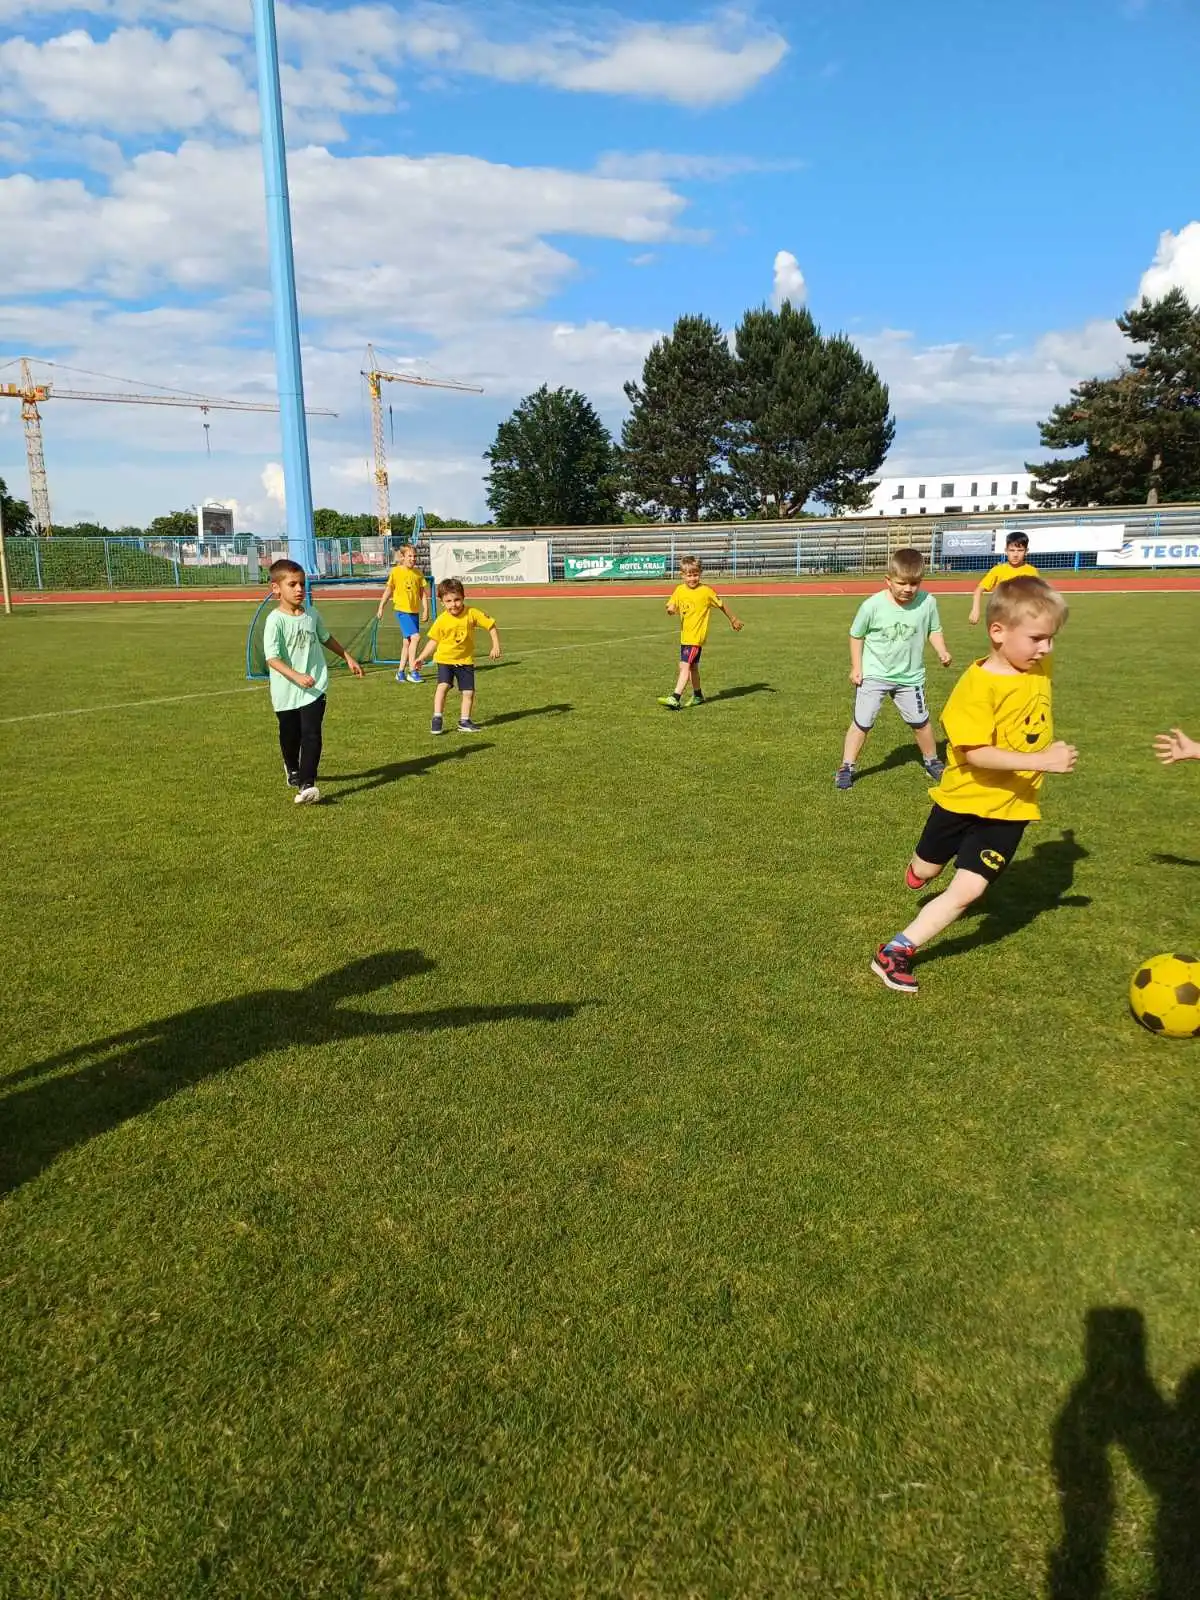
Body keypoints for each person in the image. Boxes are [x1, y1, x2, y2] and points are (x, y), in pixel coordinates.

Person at [871, 576, 1076, 994]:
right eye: (1037, 638)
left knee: (968, 890)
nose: (1047, 649)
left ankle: (895, 951)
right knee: (926, 870)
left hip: (1008, 810)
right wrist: (1041, 760)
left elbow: (1034, 605)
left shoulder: (1037, 664)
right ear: (997, 633)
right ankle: (921, 869)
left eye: (1051, 639)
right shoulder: (975, 688)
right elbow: (975, 753)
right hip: (960, 800)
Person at [835, 547, 953, 790]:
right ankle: (846, 766)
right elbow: (856, 635)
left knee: (921, 722)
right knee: (862, 723)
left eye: (914, 583)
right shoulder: (872, 606)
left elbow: (934, 629)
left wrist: (941, 650)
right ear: (888, 580)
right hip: (874, 674)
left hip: (910, 677)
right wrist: (856, 667)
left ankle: (932, 762)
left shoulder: (928, 602)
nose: (908, 589)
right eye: (902, 583)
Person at [263, 558, 363, 805]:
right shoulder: (275, 620)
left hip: (314, 687)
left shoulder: (312, 614)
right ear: (276, 588)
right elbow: (272, 659)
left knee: (311, 734)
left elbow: (326, 638)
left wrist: (347, 656)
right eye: (293, 584)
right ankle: (291, 766)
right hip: (286, 690)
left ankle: (307, 784)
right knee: (290, 735)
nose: (299, 589)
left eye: (302, 584)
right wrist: (296, 675)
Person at [414, 578, 500, 734]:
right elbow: (433, 641)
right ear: (442, 602)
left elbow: (491, 626)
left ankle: (465, 721)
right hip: (445, 660)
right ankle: (437, 717)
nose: (453, 604)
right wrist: (421, 657)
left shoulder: (472, 613)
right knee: (443, 686)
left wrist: (495, 645)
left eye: (457, 600)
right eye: (448, 601)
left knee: (468, 692)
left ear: (463, 598)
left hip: (465, 661)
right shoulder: (441, 620)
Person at [658, 556, 743, 710]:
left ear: (700, 573)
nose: (692, 578)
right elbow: (672, 603)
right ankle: (698, 695)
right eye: (689, 575)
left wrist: (734, 619)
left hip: (696, 637)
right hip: (685, 636)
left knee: (685, 666)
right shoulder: (679, 589)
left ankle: (675, 697)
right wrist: (670, 609)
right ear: (682, 575)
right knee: (692, 667)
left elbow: (722, 605)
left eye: (695, 574)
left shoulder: (706, 591)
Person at [376, 544, 430, 683]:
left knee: (407, 642)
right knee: (416, 637)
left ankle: (400, 672)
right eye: (410, 556)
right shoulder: (396, 572)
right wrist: (381, 606)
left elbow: (422, 594)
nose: (413, 559)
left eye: (414, 556)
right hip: (402, 611)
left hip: (414, 612)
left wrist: (426, 609)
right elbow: (388, 590)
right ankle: (412, 671)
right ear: (403, 557)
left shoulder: (418, 573)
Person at [967, 530, 1039, 625]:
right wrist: (975, 609)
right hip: (1001, 618)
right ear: (1006, 551)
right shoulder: (998, 570)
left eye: (1020, 550)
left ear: (1026, 552)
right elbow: (979, 590)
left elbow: (1038, 595)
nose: (1015, 555)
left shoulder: (1032, 571)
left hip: (1023, 619)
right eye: (1012, 550)